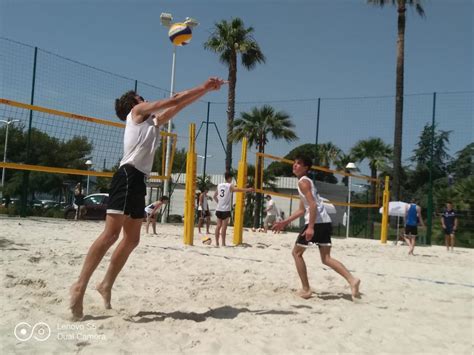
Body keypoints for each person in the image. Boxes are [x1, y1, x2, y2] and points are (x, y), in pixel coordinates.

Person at [69, 77, 226, 320]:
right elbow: (172, 99)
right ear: (135, 101)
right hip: (127, 175)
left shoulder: (152, 122)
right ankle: (79, 286)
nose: (146, 99)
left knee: (131, 240)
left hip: (139, 179)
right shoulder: (136, 111)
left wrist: (205, 91)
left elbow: (178, 104)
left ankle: (106, 284)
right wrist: (204, 86)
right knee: (110, 235)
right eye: (142, 97)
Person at [272, 154, 360, 300]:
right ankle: (352, 280)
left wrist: (311, 227)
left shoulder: (303, 183)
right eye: (294, 162)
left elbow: (312, 205)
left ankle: (306, 289)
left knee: (297, 253)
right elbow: (302, 209)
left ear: (306, 168)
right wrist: (284, 222)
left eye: (298, 163)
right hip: (324, 221)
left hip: (316, 223)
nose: (294, 165)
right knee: (326, 258)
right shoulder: (306, 182)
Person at [213, 172, 254, 247]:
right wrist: (248, 189)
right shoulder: (229, 186)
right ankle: (223, 243)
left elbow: (214, 196)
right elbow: (237, 189)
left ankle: (216, 243)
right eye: (231, 178)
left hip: (219, 208)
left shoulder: (219, 185)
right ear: (229, 178)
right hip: (226, 209)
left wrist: (219, 203)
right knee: (224, 227)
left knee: (218, 226)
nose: (231, 180)